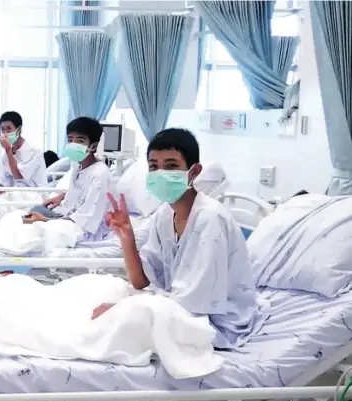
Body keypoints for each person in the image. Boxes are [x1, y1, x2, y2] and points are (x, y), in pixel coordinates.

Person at [92, 128, 269, 350]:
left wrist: (123, 310)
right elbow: (141, 281)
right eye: (154, 166)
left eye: (172, 166)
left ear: (194, 172)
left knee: (114, 323)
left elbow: (192, 305)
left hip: (216, 321)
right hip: (179, 306)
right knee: (96, 291)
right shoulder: (164, 215)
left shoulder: (210, 219)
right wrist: (126, 236)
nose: (160, 173)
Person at [22, 117, 111, 242]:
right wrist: (62, 196)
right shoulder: (78, 166)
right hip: (66, 218)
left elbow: (87, 220)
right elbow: (79, 194)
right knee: (26, 213)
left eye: (80, 141)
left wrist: (45, 220)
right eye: (70, 140)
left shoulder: (99, 174)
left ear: (93, 146)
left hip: (81, 230)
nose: (73, 145)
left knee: (35, 231)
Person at [0, 111, 47, 201]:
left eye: (9, 129)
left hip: (33, 195)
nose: (5, 133)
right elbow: (3, 181)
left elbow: (18, 175)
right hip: (15, 193)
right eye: (2, 129)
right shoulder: (6, 154)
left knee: (0, 205)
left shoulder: (34, 151)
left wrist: (8, 149)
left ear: (18, 130)